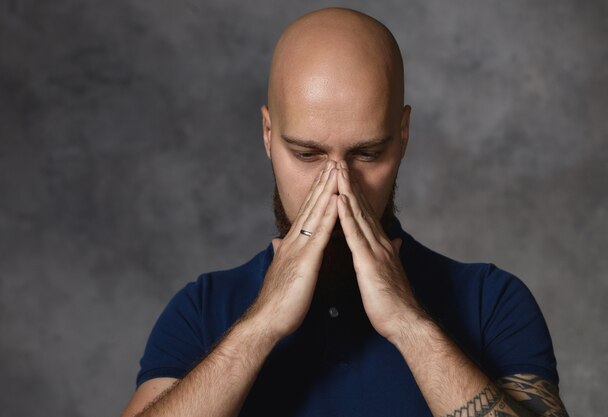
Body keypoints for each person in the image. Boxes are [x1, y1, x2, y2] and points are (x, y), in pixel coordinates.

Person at [121, 7, 568, 417]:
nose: (337, 186)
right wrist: (260, 327)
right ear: (267, 134)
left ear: (403, 135)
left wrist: (410, 326)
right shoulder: (202, 310)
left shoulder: (491, 302)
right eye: (306, 154)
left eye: (368, 154)